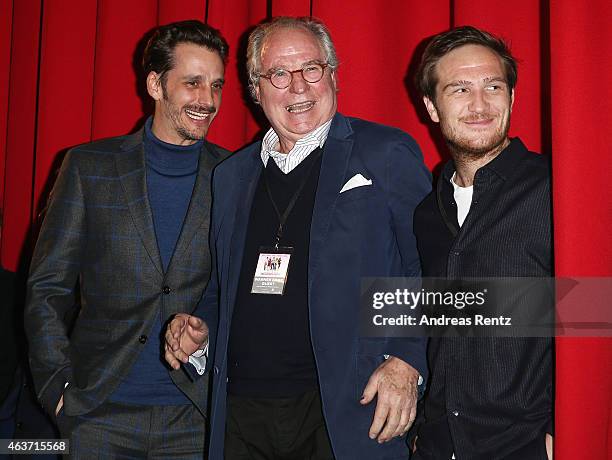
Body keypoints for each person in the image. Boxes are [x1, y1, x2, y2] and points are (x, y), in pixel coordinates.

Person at [165, 16, 432, 460]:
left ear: (333, 74)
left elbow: (425, 267)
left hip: (344, 409)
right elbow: (222, 287)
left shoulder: (385, 152)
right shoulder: (230, 176)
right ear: (256, 89)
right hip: (241, 413)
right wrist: (200, 330)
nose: (299, 88)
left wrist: (406, 360)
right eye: (279, 75)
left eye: (312, 69)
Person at [24, 20, 230, 458]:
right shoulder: (88, 167)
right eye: (192, 83)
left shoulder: (235, 177)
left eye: (216, 85)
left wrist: (204, 330)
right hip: (97, 413)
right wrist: (57, 389)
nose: (207, 100)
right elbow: (47, 288)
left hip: (194, 416)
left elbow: (234, 291)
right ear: (156, 84)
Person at [411, 26, 553, 459]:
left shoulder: (555, 191)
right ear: (432, 107)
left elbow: (596, 314)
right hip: (437, 446)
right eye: (459, 89)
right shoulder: (426, 214)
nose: (479, 105)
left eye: (493, 86)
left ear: (511, 96)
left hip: (525, 447)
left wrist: (561, 429)